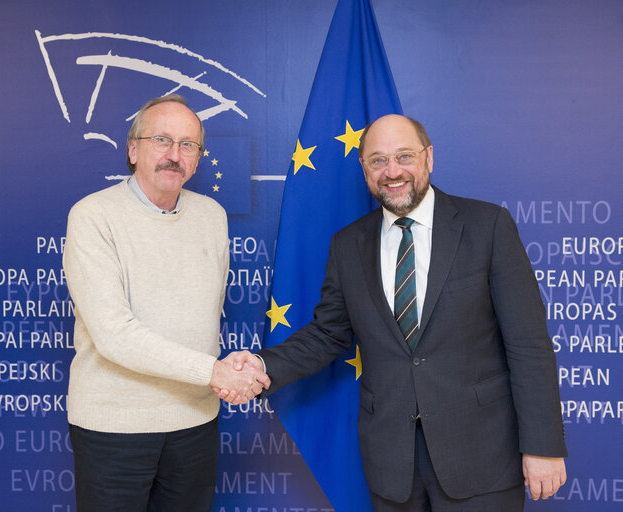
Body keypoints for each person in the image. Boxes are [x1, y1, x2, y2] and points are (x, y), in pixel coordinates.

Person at [221, 114, 567, 511]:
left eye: (404, 156)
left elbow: (529, 344)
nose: (393, 172)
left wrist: (543, 446)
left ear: (429, 158)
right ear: (364, 168)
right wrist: (263, 366)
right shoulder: (348, 245)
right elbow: (327, 335)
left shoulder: (487, 227)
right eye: (378, 160)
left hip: (482, 456)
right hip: (393, 464)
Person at [63, 94, 269, 512]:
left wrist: (225, 373)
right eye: (162, 140)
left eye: (188, 145)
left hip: (195, 424)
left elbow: (204, 317)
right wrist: (213, 371)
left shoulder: (212, 216)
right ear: (133, 149)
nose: (174, 155)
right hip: (114, 430)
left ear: (197, 159)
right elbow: (114, 335)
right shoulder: (91, 216)